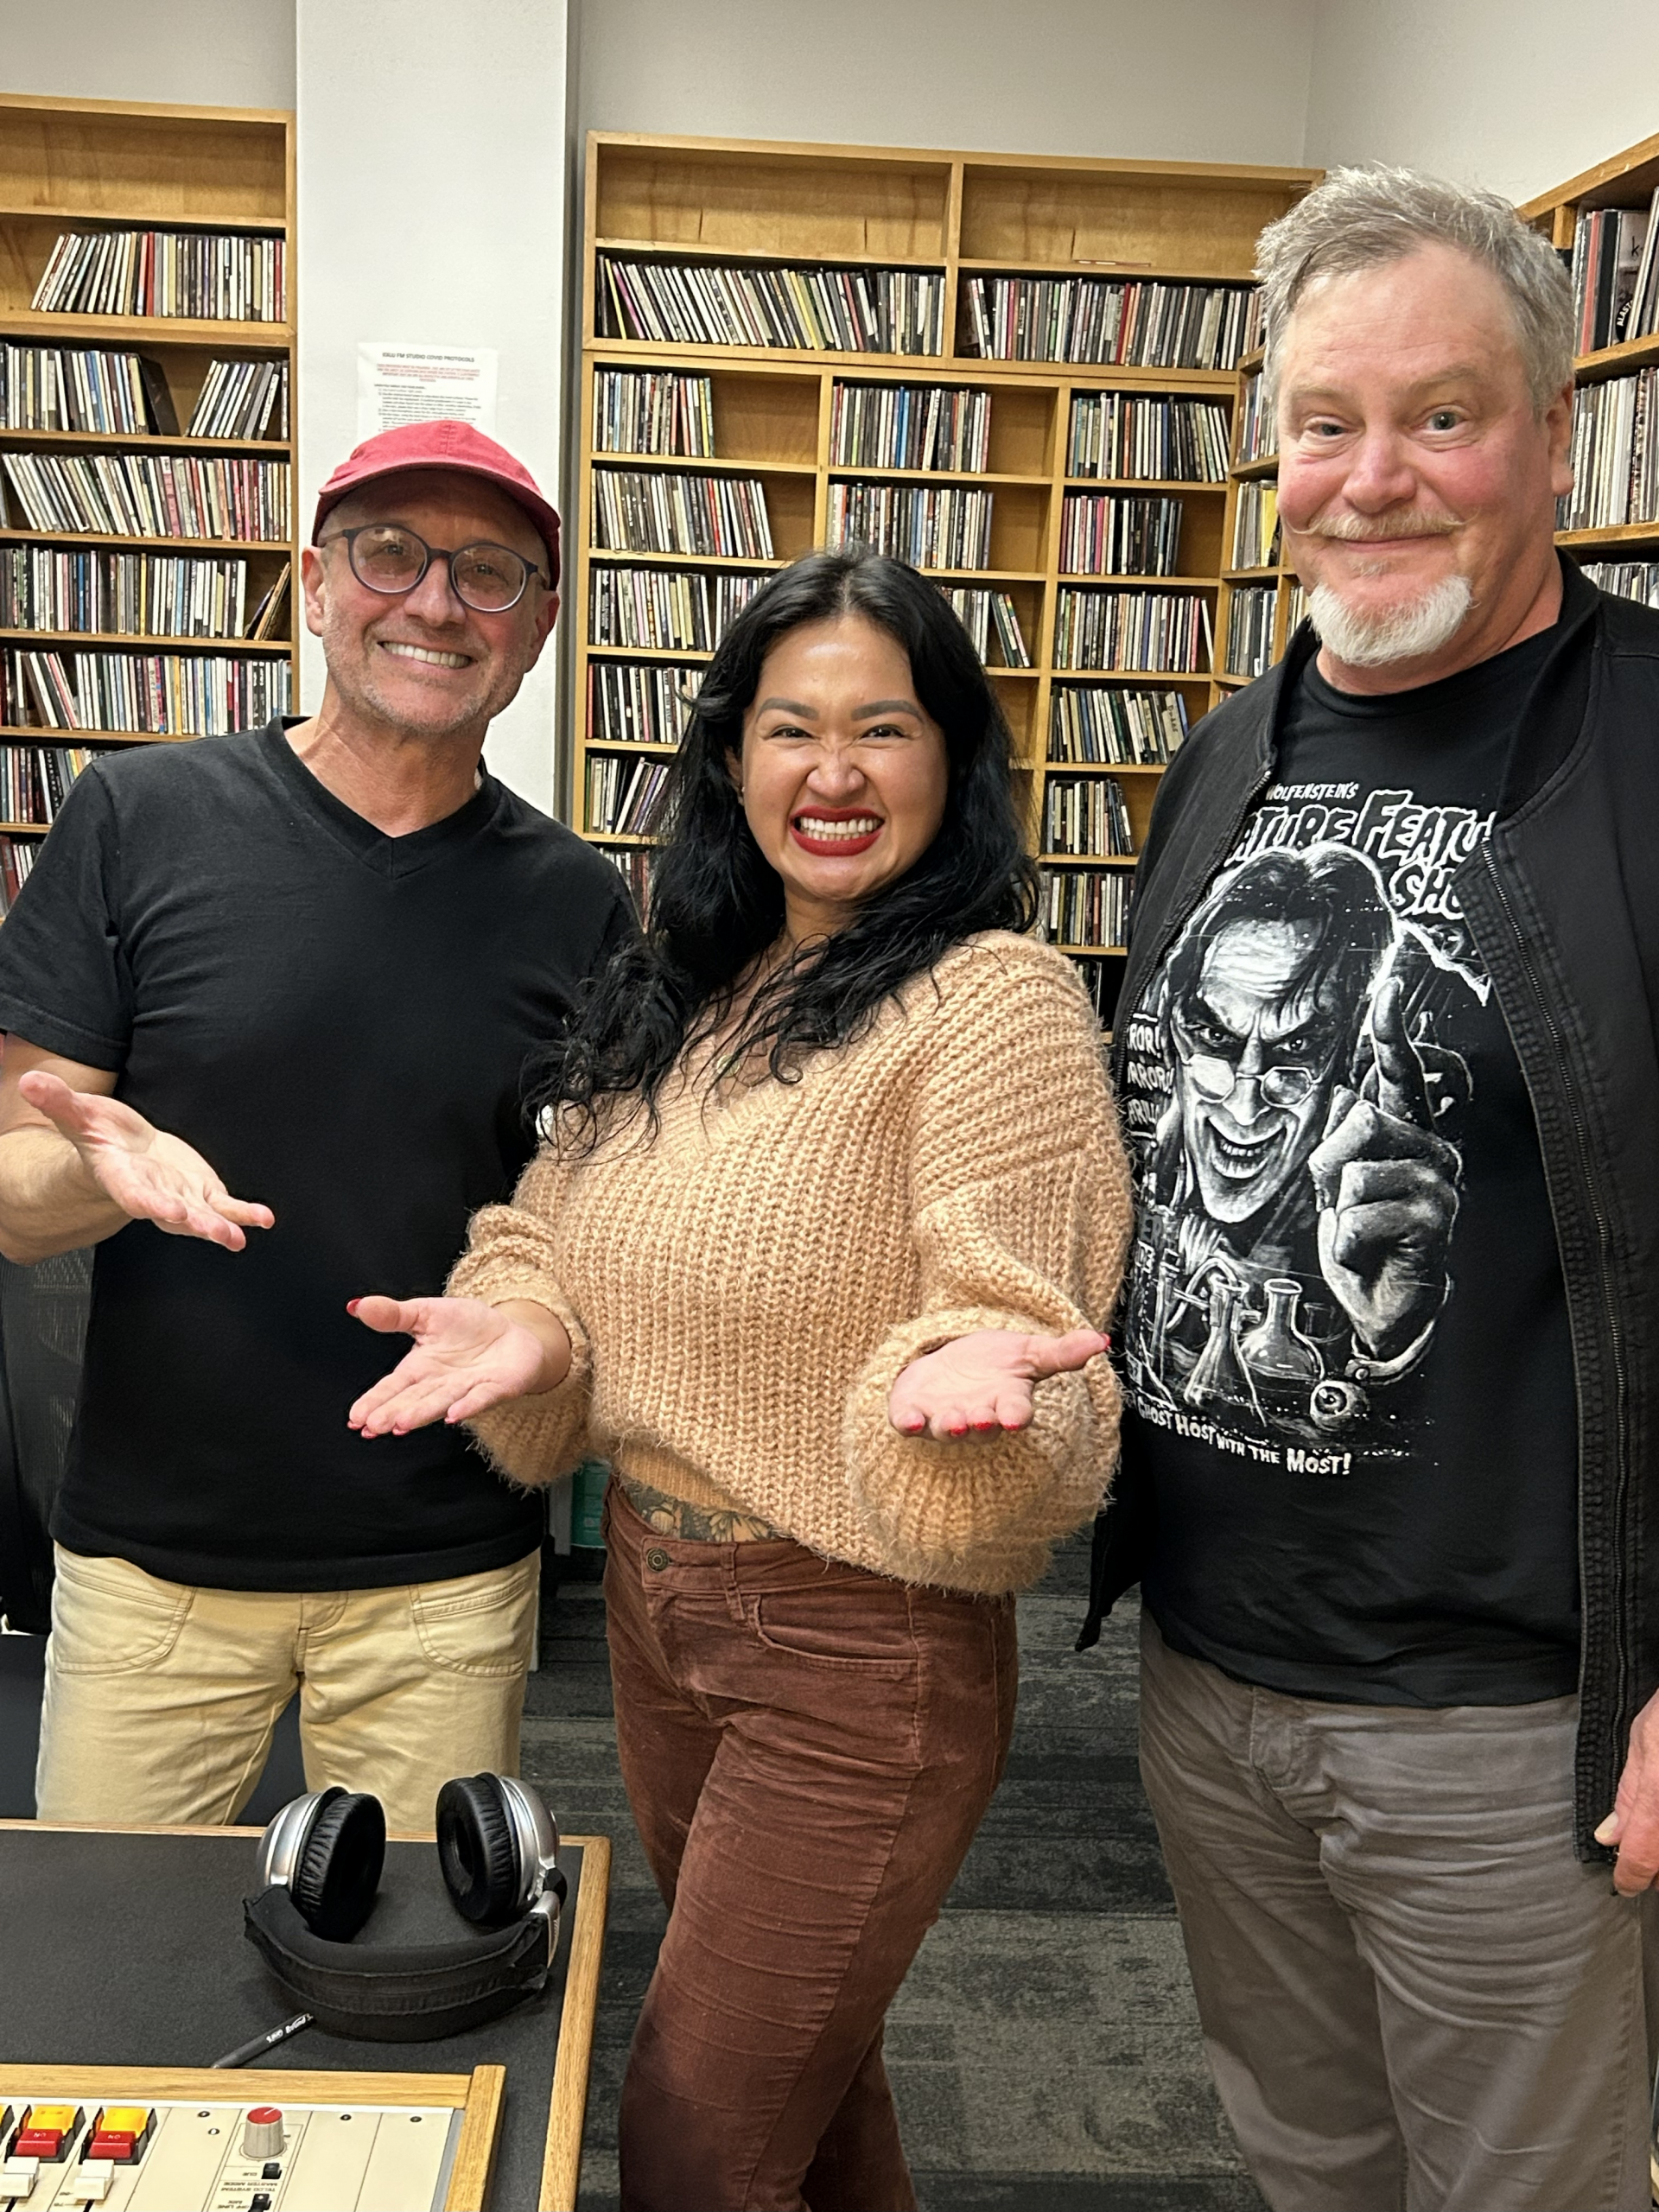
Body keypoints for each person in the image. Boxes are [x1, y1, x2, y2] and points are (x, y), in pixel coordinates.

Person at [347, 546, 1130, 2212]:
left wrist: (969, 1387)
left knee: (694, 2139)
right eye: (791, 728)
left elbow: (1017, 1324)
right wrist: (534, 1329)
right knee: (811, 2096)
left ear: (954, 759)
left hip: (858, 1645)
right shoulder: (690, 986)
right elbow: (542, 1225)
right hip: (658, 1603)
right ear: (730, 757)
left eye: (883, 728)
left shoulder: (997, 1002)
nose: (832, 774)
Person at [1083, 163, 1659, 2211]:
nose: (1373, 476)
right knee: (1306, 2156)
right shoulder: (1230, 747)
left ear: (1555, 436)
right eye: (1325, 421)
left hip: (1512, 1717)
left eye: (1443, 414)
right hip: (1215, 1670)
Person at [0, 418, 633, 1834]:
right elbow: (11, 1189)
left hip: (442, 1569)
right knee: (108, 1959)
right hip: (156, 1565)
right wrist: (104, 1173)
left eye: (488, 573)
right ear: (316, 581)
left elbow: (584, 1224)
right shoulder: (138, 815)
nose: (435, 602)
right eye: (390, 553)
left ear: (537, 628)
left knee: (418, 1954)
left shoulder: (578, 900)